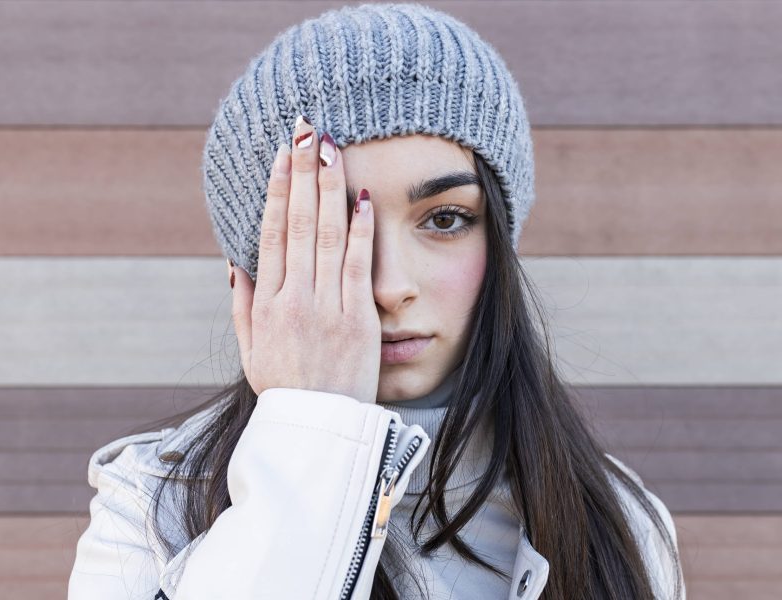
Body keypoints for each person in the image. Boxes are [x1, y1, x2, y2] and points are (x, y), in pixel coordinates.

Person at [67, 3, 685, 599]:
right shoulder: (151, 509)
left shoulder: (619, 525)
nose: (389, 287)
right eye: (335, 228)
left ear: (499, 241)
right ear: (259, 268)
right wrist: (311, 430)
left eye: (445, 219)